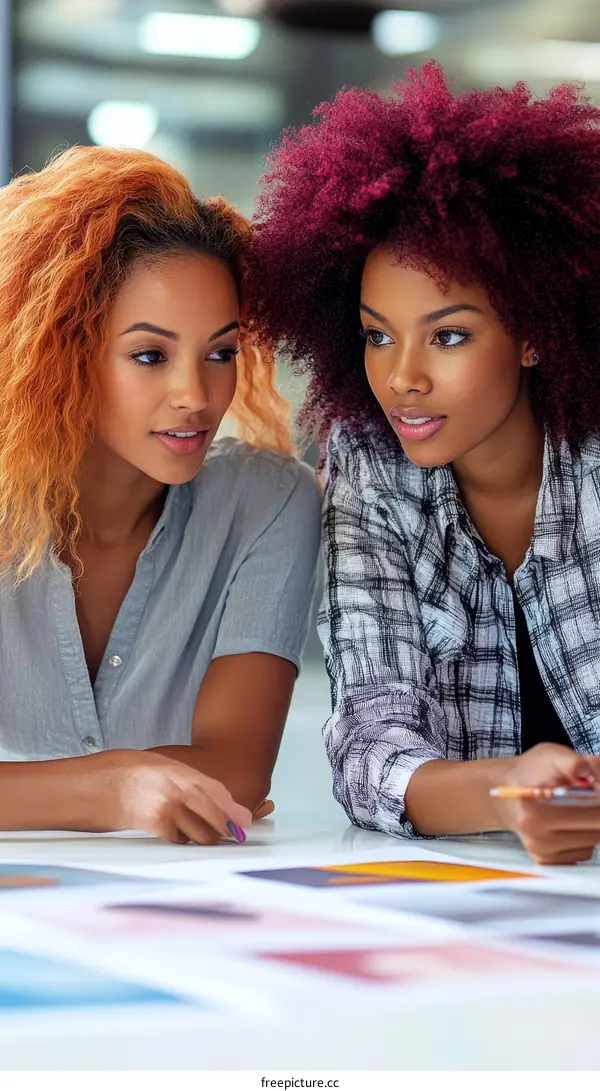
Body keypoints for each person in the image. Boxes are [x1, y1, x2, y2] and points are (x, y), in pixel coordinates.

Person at [250, 63, 600, 864]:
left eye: (447, 336)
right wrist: (517, 794)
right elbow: (371, 746)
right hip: (493, 902)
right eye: (378, 334)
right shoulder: (370, 459)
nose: (401, 375)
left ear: (536, 332)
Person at [0, 145, 320, 845]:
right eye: (151, 355)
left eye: (220, 352)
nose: (195, 395)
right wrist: (114, 787)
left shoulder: (267, 506)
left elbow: (235, 772)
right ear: (64, 351)